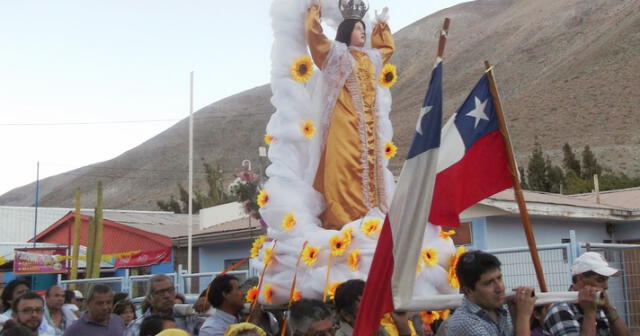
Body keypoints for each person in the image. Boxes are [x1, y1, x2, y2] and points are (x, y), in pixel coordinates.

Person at [305, 0, 395, 230]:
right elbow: (315, 39)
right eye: (358, 29)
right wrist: (314, 12)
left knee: (367, 170)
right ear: (346, 31)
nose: (362, 33)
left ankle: (366, 217)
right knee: (341, 170)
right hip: (343, 124)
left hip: (367, 129)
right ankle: (342, 221)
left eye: (364, 30)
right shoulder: (337, 55)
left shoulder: (371, 59)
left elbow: (385, 50)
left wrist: (381, 28)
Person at [446, 250, 536, 336]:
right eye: (489, 283)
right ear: (468, 291)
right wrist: (523, 317)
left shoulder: (502, 308)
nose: (500, 288)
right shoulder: (464, 322)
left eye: (499, 278)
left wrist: (515, 317)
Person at [543, 251, 630, 335]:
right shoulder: (560, 310)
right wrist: (589, 313)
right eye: (600, 280)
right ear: (580, 278)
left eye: (607, 280)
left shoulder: (600, 307)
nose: (606, 286)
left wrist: (608, 309)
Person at [333, 279, 420, 336]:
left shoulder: (378, 330)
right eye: (366, 310)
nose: (375, 312)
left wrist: (403, 327)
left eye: (374, 305)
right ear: (346, 315)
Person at [125, 274, 200, 336]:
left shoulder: (189, 318)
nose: (167, 295)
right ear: (150, 297)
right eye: (161, 292)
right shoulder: (137, 326)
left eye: (170, 290)